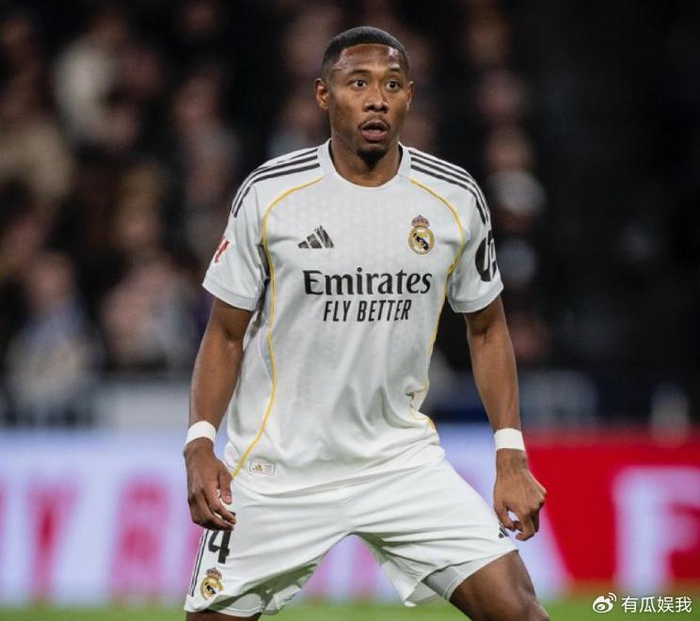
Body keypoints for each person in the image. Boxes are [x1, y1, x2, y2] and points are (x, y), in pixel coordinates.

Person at [183, 26, 548, 620]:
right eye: (358, 83)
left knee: (521, 613)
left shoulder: (453, 198)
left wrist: (510, 456)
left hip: (398, 462)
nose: (377, 98)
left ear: (410, 97)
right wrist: (200, 443)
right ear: (323, 94)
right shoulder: (270, 195)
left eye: (393, 85)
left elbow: (487, 329)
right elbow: (225, 333)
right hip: (280, 470)